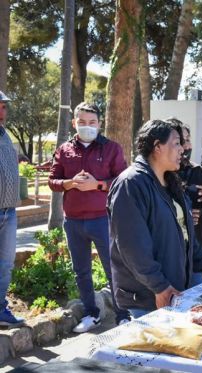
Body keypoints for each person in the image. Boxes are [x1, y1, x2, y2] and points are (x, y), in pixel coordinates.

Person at [48, 102, 130, 332]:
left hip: (102, 219)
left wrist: (98, 185)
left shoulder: (112, 148)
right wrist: (69, 183)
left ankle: (122, 315)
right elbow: (52, 181)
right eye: (82, 122)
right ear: (74, 123)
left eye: (92, 122)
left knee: (113, 268)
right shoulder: (64, 150)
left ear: (99, 124)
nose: (87, 126)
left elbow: (122, 181)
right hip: (73, 221)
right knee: (81, 270)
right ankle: (91, 314)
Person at [107, 120, 196, 319]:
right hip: (149, 296)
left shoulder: (169, 181)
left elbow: (184, 233)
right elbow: (133, 247)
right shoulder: (131, 184)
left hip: (173, 291)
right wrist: (160, 286)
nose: (182, 149)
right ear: (157, 146)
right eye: (176, 143)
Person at [170, 118, 202, 285]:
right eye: (180, 141)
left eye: (188, 140)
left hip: (198, 251)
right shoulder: (159, 176)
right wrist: (183, 219)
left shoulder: (199, 172)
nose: (186, 146)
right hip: (170, 255)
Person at [0, 90, 24, 327]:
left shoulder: (5, 135)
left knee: (6, 264)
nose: (2, 111)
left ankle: (0, 310)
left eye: (4, 106)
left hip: (9, 212)